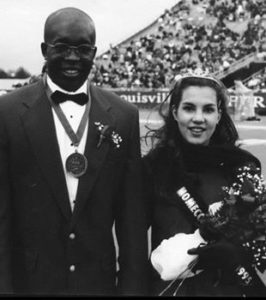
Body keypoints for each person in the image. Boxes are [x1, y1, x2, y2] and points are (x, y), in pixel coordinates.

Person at [0, 7, 148, 296]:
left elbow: (131, 218)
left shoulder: (123, 115)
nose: (72, 57)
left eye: (82, 48)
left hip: (98, 283)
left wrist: (132, 288)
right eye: (62, 47)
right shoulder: (7, 113)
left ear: (94, 52)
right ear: (45, 49)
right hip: (29, 283)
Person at [143, 70, 266, 296]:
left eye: (208, 109)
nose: (198, 118)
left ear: (219, 115)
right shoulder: (153, 167)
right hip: (172, 290)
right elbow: (133, 242)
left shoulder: (242, 166)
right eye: (189, 108)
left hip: (227, 290)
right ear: (175, 112)